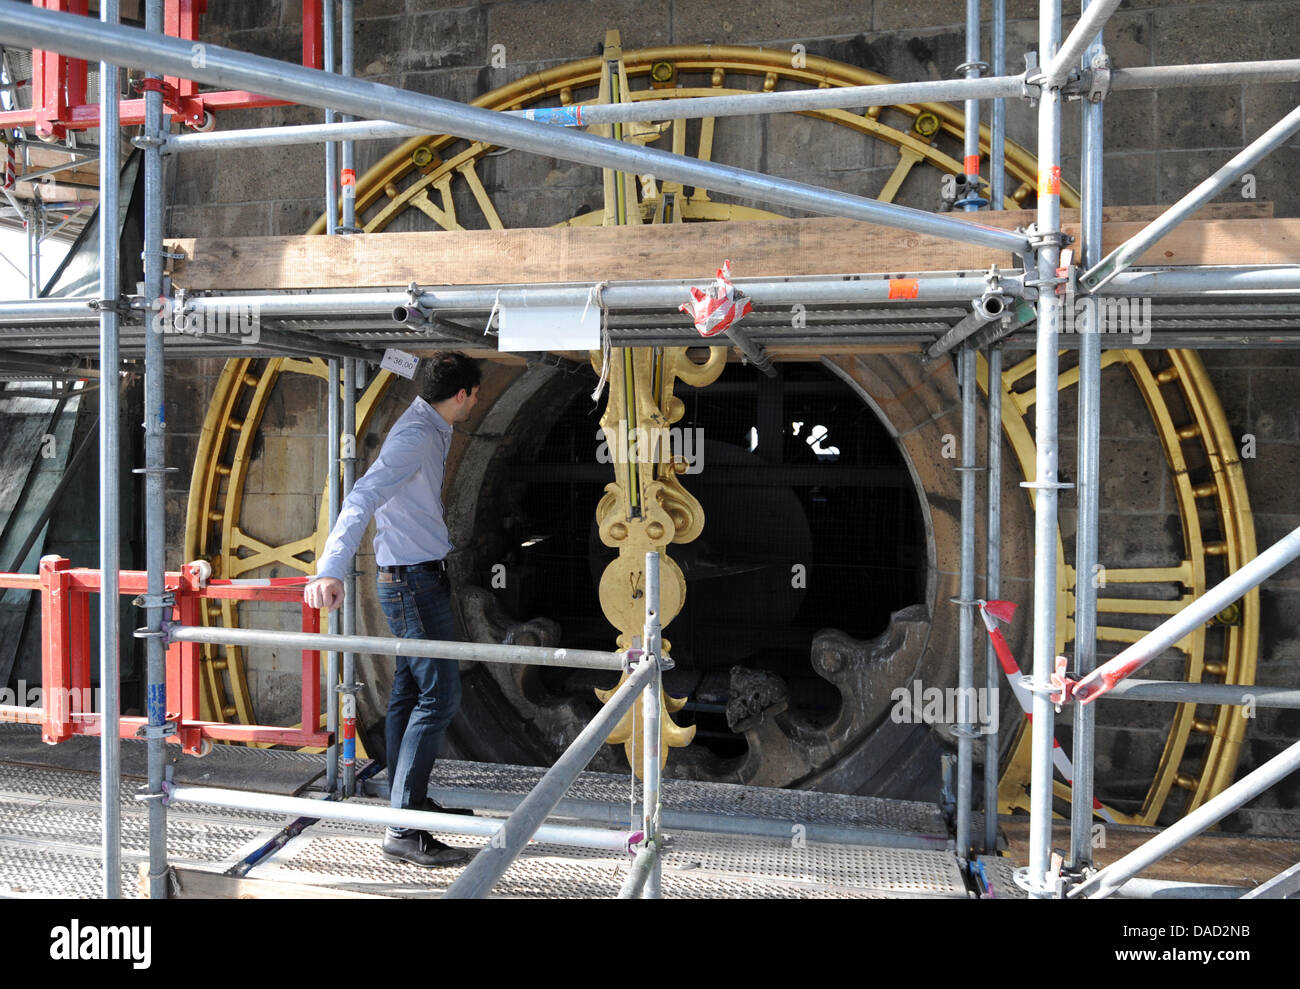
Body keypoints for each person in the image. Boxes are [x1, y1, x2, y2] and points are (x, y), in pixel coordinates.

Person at [305, 351, 481, 868]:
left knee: (409, 691)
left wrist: (398, 354)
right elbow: (362, 494)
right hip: (414, 586)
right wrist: (330, 568)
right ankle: (404, 826)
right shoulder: (414, 436)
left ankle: (409, 803)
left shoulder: (428, 420)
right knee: (441, 696)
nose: (475, 404)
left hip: (413, 581)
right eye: (475, 396)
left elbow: (414, 367)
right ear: (464, 395)